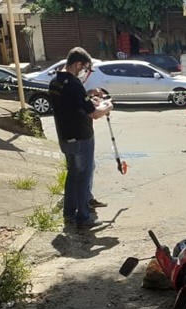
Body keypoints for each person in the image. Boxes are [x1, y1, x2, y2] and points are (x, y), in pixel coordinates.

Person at [48, 47, 113, 230]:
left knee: (73, 176)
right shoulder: (74, 84)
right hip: (81, 137)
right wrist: (107, 106)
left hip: (65, 137)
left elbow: (73, 103)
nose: (85, 71)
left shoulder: (55, 81)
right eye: (85, 68)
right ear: (78, 64)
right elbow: (93, 113)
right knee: (83, 178)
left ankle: (69, 214)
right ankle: (83, 218)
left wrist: (89, 93)